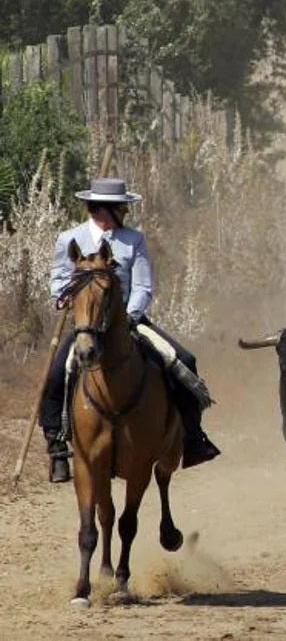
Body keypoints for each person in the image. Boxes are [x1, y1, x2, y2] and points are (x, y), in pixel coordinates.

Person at [41, 177, 220, 483]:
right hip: (87, 326)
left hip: (127, 322)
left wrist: (130, 316)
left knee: (184, 361)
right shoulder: (69, 239)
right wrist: (65, 297)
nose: (126, 212)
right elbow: (58, 280)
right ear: (104, 209)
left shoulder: (133, 240)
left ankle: (192, 438)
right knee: (57, 375)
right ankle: (57, 447)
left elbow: (143, 286)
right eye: (122, 207)